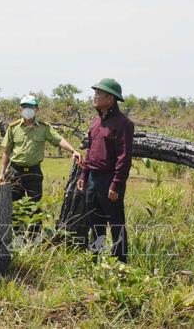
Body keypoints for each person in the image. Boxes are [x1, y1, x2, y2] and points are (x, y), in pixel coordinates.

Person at [0, 94, 81, 238]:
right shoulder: (13, 128)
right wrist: (2, 173)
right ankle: (17, 238)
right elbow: (6, 152)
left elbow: (58, 139)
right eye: (24, 107)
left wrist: (73, 150)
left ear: (37, 109)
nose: (27, 110)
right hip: (14, 171)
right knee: (16, 207)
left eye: (30, 107)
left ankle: (34, 240)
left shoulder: (44, 128)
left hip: (34, 172)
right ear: (20, 109)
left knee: (34, 207)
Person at [77, 78, 134, 263]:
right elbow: (90, 151)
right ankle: (95, 261)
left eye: (98, 94)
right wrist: (84, 175)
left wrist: (116, 184)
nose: (94, 97)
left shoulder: (123, 123)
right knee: (95, 223)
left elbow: (123, 157)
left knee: (116, 223)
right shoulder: (95, 122)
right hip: (93, 178)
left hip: (110, 180)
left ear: (110, 98)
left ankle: (120, 264)